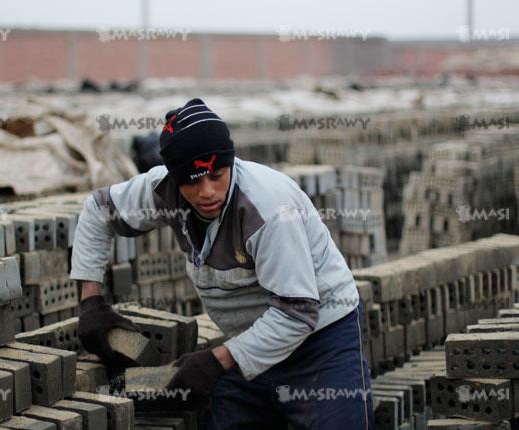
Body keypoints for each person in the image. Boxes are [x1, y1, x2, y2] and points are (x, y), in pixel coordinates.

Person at [70, 98, 374, 429]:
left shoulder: (268, 208)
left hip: (319, 341)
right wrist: (91, 300)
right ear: (174, 177)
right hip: (249, 337)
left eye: (217, 175)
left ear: (229, 162)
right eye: (192, 181)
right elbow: (98, 211)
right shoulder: (162, 189)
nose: (207, 192)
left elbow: (297, 312)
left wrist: (216, 361)